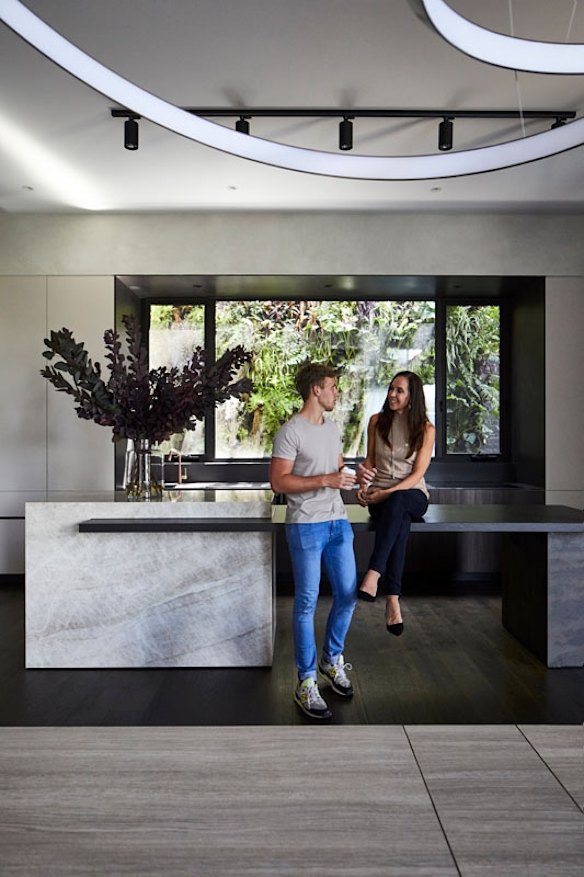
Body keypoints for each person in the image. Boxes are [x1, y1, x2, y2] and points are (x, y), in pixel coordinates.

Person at [270, 362, 358, 720]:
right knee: (306, 603)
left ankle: (331, 659)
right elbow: (279, 482)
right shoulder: (290, 432)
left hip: (338, 522)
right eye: (332, 387)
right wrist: (326, 479)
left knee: (349, 594)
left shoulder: (333, 428)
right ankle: (306, 680)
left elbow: (337, 469)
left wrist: (356, 475)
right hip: (306, 524)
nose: (336, 392)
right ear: (315, 391)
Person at [357, 371, 435, 635]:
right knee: (398, 520)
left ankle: (374, 573)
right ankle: (393, 599)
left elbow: (417, 475)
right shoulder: (376, 422)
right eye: (391, 389)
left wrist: (387, 493)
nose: (392, 394)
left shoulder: (425, 429)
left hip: (412, 494)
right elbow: (370, 462)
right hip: (381, 495)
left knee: (400, 501)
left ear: (412, 397)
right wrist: (363, 485)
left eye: (399, 391)